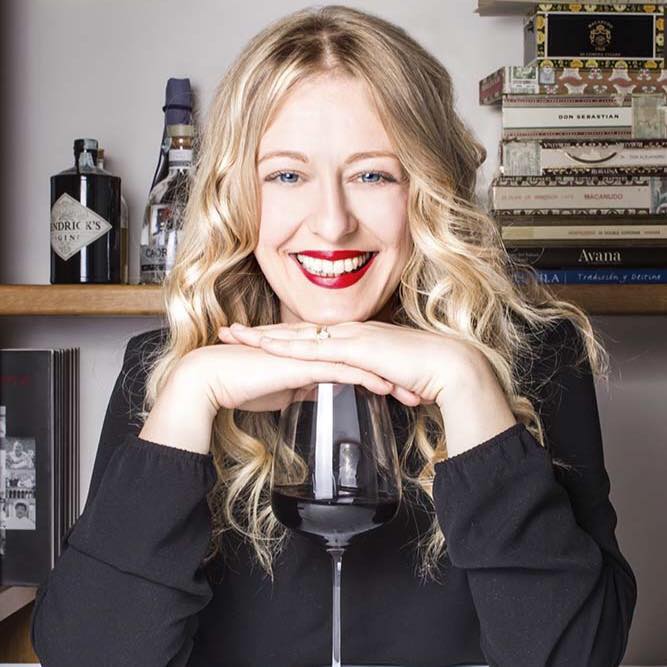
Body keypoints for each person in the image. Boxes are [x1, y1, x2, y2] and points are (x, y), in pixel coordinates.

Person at [30, 5, 637, 666]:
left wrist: (467, 385)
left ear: (426, 188)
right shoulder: (166, 367)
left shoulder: (536, 357)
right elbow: (87, 656)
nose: (331, 223)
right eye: (286, 175)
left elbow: (575, 657)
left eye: (372, 174)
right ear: (238, 194)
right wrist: (189, 397)